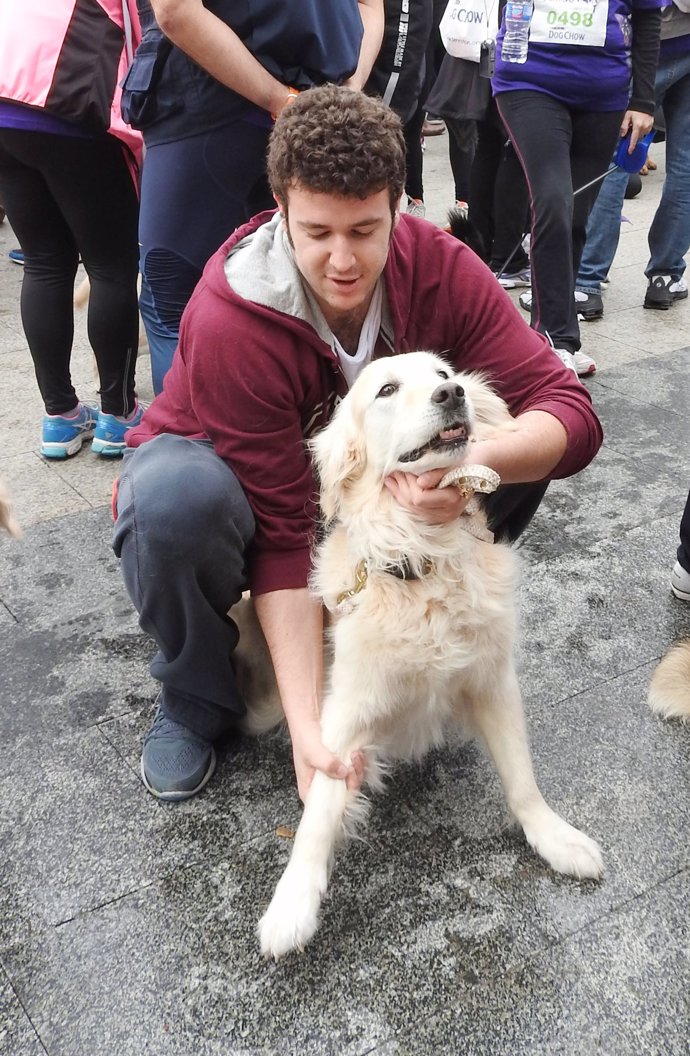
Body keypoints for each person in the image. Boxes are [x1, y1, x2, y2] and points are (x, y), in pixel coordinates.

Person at [112, 86, 603, 805]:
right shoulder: (232, 313)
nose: (342, 259)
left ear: (399, 209)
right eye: (317, 232)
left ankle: (424, 634)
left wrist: (473, 468)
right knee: (172, 506)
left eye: (364, 230)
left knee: (509, 434)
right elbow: (283, 536)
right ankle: (196, 695)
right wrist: (311, 737)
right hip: (237, 483)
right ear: (281, 210)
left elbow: (572, 412)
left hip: (370, 499)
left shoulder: (440, 266)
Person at [124, 0, 384, 394]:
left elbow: (176, 9)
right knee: (318, 298)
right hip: (311, 100)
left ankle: (200, 445)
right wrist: (343, 90)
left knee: (173, 306)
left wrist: (289, 101)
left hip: (209, 108)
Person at [0, 0, 145, 459]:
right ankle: (118, 414)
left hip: (5, 97)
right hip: (71, 98)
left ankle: (60, 416)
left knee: (43, 262)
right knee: (112, 267)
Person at [492, 0, 663, 377]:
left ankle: (562, 337)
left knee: (574, 217)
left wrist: (643, 100)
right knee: (553, 202)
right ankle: (553, 338)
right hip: (528, 83)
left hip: (604, 96)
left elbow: (649, 18)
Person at [575, 2, 690, 318]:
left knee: (614, 163)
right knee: (685, 167)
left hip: (644, 39)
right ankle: (665, 276)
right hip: (665, 33)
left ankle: (586, 281)